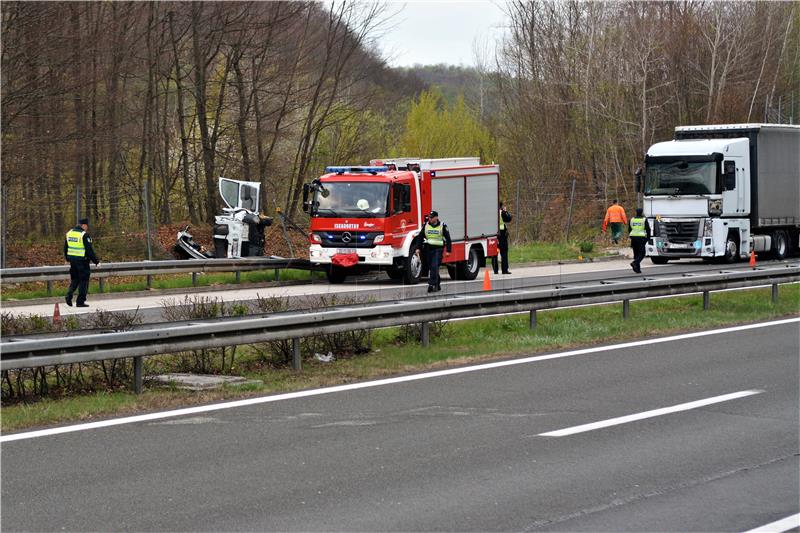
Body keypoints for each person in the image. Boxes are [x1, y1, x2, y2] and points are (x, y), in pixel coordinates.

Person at [64, 217, 99, 307]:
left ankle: (69, 294)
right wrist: (96, 261)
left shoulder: (69, 233)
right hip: (82, 262)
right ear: (83, 225)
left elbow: (65, 247)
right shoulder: (84, 235)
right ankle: (80, 301)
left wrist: (67, 259)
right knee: (84, 281)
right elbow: (89, 250)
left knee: (75, 279)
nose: (87, 228)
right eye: (87, 226)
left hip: (72, 261)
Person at [413, 210, 451, 292]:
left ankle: (431, 284)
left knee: (434, 266)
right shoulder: (426, 225)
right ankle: (437, 284)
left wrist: (448, 250)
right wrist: (417, 248)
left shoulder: (442, 226)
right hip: (428, 249)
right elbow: (420, 237)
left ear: (436, 218)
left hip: (438, 249)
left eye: (431, 217)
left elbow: (448, 238)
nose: (429, 219)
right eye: (429, 217)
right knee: (431, 267)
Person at [493, 201, 513, 274]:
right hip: (502, 234)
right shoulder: (502, 212)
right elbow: (509, 219)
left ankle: (495, 270)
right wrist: (506, 211)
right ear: (501, 206)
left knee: (494, 252)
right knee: (504, 252)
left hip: (494, 234)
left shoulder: (492, 212)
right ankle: (504, 270)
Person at [628, 208, 650, 274]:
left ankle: (637, 269)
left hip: (633, 238)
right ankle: (635, 263)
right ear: (642, 212)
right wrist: (648, 238)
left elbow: (629, 229)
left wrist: (631, 236)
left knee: (636, 253)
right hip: (641, 238)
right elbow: (648, 229)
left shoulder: (632, 219)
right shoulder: (644, 220)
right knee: (642, 253)